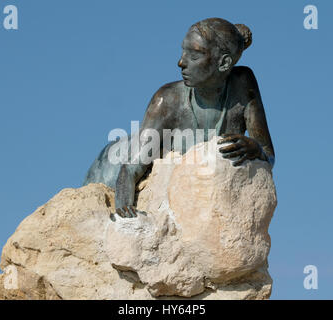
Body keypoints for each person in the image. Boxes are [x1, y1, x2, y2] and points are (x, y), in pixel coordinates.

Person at [83, 18, 275, 219]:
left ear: (224, 63)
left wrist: (257, 149)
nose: (181, 62)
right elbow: (130, 169)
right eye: (183, 51)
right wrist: (123, 208)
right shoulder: (166, 100)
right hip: (114, 165)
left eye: (194, 55)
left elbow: (269, 154)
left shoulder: (243, 85)